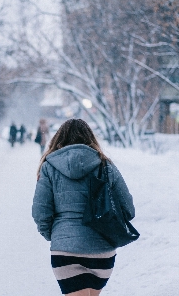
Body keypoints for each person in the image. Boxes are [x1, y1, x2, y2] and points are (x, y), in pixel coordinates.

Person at [32, 119, 135, 296]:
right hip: (102, 251)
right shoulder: (106, 166)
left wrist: (56, 235)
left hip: (65, 252)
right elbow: (128, 210)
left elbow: (40, 212)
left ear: (58, 139)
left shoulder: (49, 167)